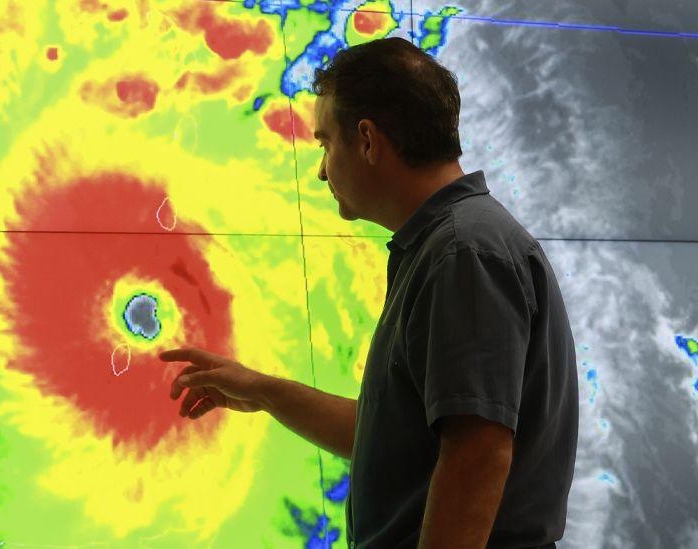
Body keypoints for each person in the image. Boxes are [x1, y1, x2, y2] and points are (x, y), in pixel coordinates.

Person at [159, 37, 578, 548]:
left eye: (324, 144)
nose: (320, 169)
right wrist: (262, 389)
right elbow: (390, 437)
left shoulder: (462, 253)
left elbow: (478, 451)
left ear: (367, 141)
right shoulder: (449, 245)